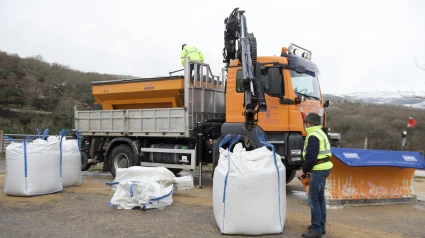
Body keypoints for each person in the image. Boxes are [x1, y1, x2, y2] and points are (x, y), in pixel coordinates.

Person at [299, 112, 333, 238]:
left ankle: (316, 229)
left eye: (306, 122)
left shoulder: (313, 135)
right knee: (319, 199)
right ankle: (321, 225)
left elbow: (311, 157)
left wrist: (304, 170)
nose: (305, 124)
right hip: (324, 168)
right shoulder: (320, 132)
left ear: (309, 123)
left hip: (318, 169)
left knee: (313, 200)